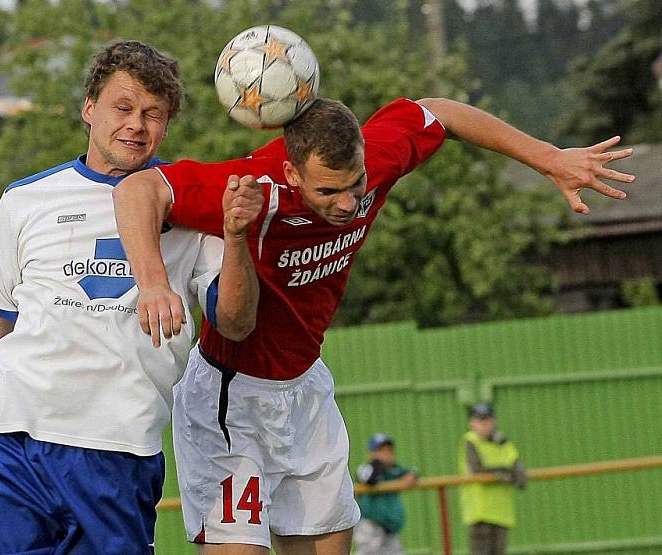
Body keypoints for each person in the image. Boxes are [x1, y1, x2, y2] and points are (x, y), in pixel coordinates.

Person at [112, 95, 635, 554]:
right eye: (328, 192)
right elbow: (138, 189)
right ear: (293, 175)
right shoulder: (252, 188)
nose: (347, 203)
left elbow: (442, 111)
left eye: (355, 185)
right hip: (231, 396)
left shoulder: (376, 158)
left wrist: (550, 159)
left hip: (307, 390)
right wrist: (154, 282)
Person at [0, 40, 263, 555]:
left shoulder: (193, 208)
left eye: (153, 114)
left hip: (119, 455)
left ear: (167, 126)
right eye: (122, 107)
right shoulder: (26, 200)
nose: (136, 125)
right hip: (14, 441)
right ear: (89, 107)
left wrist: (238, 236)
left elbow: (235, 321)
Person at [459, 402, 527, 555]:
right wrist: (506, 475)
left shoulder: (503, 442)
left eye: (487, 419)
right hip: (480, 513)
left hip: (501, 513)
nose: (485, 424)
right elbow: (478, 471)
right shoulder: (470, 441)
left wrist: (513, 475)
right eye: (480, 420)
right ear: (472, 423)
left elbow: (517, 467)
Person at [354, 433, 418, 555]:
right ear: (371, 453)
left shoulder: (394, 470)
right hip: (370, 526)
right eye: (381, 450)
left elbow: (413, 470)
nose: (386, 453)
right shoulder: (366, 468)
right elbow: (369, 479)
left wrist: (412, 475)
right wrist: (377, 462)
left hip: (390, 527)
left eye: (389, 450)